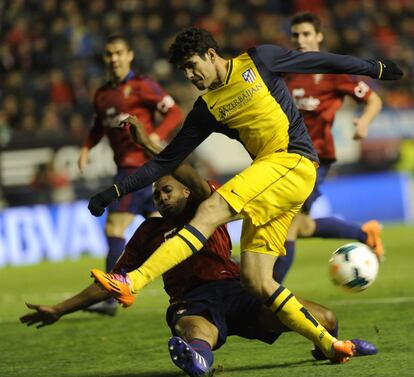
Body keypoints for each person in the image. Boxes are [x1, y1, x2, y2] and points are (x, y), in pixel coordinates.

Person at [87, 28, 402, 363]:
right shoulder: (206, 108)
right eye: (184, 72)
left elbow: (317, 60)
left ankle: (132, 282)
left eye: (193, 66)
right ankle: (331, 345)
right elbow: (167, 160)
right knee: (257, 281)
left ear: (211, 54)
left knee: (209, 208)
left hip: (293, 160)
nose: (191, 75)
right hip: (276, 180)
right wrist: (115, 191)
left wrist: (374, 68)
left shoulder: (258, 60)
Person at [20, 131, 377, 375]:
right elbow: (113, 282)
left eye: (167, 191)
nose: (161, 197)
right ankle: (199, 362)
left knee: (326, 318)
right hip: (191, 301)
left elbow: (186, 173)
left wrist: (150, 148)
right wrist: (59, 310)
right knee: (194, 331)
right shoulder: (147, 233)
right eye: (157, 195)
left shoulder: (207, 206)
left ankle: (326, 344)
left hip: (239, 290)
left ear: (188, 192)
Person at [274, 12, 385, 283]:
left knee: (287, 224)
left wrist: (363, 123)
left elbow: (374, 100)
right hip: (284, 158)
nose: (300, 40)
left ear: (319, 36)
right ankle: (363, 233)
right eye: (296, 35)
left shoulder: (334, 71)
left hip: (315, 158)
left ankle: (267, 292)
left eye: (306, 34)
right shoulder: (286, 70)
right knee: (302, 225)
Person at [78, 34, 183, 315]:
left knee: (114, 228)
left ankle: (109, 296)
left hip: (137, 168)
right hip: (135, 167)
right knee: (167, 230)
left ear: (130, 55)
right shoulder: (102, 94)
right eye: (109, 54)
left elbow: (174, 112)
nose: (114, 58)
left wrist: (154, 137)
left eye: (119, 53)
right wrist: (86, 148)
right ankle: (223, 262)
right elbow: (97, 127)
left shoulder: (142, 85)